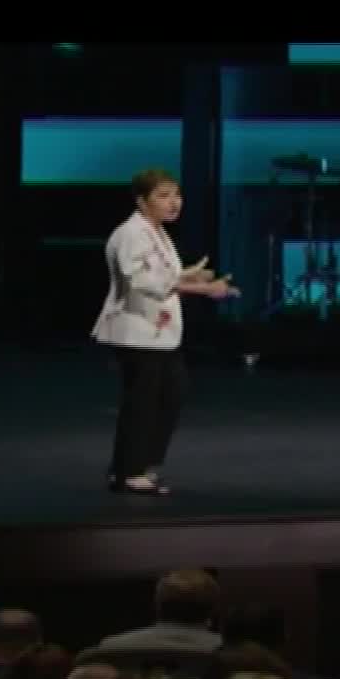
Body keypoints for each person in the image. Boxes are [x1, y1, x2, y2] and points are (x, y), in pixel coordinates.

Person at [90, 166, 238, 496]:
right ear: (142, 201)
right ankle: (130, 471)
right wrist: (202, 289)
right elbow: (141, 281)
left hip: (156, 333)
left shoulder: (156, 231)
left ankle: (135, 466)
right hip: (136, 330)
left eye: (177, 195)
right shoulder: (132, 233)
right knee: (144, 401)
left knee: (170, 394)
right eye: (163, 196)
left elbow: (160, 274)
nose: (174, 203)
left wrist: (190, 277)